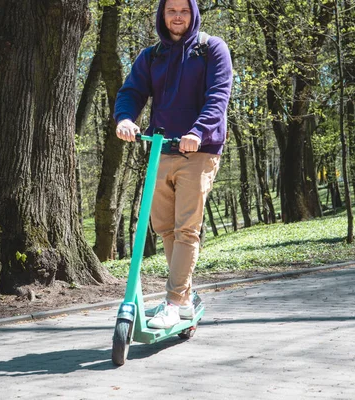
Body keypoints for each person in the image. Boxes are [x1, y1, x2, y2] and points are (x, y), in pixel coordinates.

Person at [114, 0, 232, 329]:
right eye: (171, 10)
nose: (177, 16)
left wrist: (198, 131)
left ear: (193, 13)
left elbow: (218, 96)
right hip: (161, 149)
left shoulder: (211, 50)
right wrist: (125, 118)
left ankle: (172, 301)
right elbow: (132, 91)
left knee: (185, 229)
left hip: (199, 151)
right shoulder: (152, 56)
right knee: (163, 227)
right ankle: (185, 299)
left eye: (183, 10)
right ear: (162, 15)